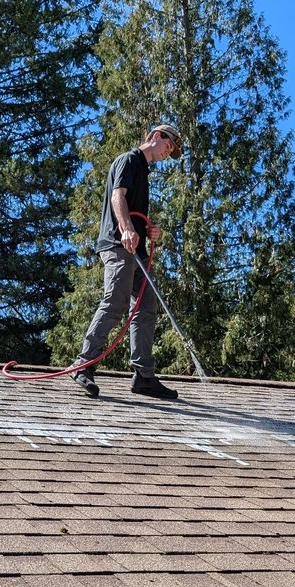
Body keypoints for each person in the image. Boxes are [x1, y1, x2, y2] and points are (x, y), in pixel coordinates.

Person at [70, 124, 183, 399]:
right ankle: (83, 364)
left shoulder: (143, 172)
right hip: (118, 246)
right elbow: (117, 197)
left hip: (137, 251)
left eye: (171, 151)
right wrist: (126, 229)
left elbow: (133, 211)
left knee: (145, 308)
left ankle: (143, 376)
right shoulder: (129, 160)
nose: (168, 153)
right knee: (115, 302)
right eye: (168, 146)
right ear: (156, 137)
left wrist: (148, 230)